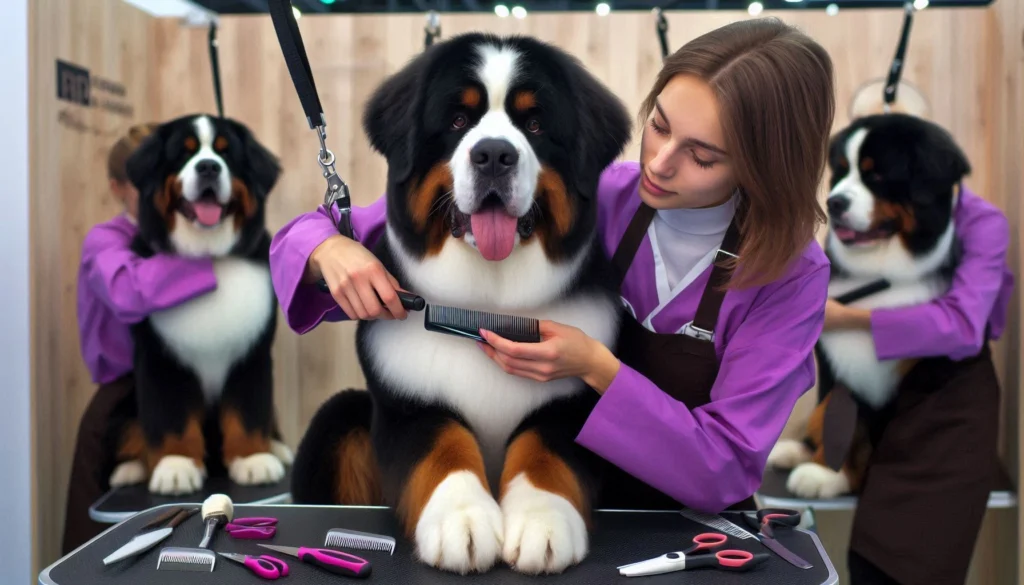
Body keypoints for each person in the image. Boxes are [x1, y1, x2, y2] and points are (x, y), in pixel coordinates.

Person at [269, 18, 836, 512]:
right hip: (578, 506)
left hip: (690, 527)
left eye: (702, 156)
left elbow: (727, 465)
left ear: (763, 168)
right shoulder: (601, 195)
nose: (660, 164)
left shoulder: (792, 278)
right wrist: (328, 249)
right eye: (659, 126)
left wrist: (598, 368)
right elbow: (315, 236)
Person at [825, 181, 1013, 585]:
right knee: (867, 558)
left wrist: (848, 319)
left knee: (909, 567)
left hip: (949, 406)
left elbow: (968, 326)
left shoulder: (979, 222)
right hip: (885, 404)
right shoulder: (861, 219)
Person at [63, 123, 219, 553]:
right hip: (125, 407)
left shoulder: (188, 235)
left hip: (192, 397)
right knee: (103, 551)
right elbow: (129, 291)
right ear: (116, 187)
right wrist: (214, 264)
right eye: (141, 184)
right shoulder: (106, 242)